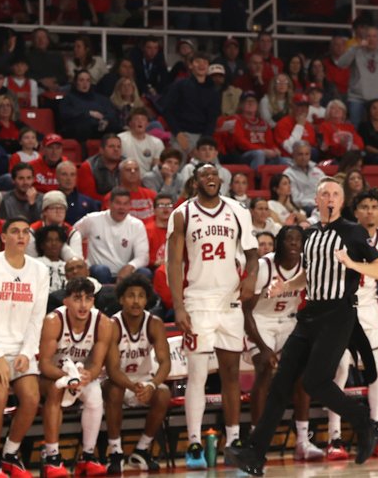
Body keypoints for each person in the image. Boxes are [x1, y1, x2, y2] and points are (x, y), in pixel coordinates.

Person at [225, 177, 378, 476]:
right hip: (309, 313)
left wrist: (352, 264)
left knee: (315, 382)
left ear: (341, 201)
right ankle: (255, 455)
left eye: (335, 194)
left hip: (338, 314)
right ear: (316, 199)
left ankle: (364, 421)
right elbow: (309, 275)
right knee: (280, 385)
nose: (330, 198)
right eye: (325, 193)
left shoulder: (353, 232)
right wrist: (285, 285)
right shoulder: (310, 234)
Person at [167, 163, 258, 468]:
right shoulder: (182, 214)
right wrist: (179, 305)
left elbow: (253, 254)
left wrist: (250, 278)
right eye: (204, 175)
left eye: (214, 174)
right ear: (195, 182)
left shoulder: (237, 210)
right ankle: (194, 442)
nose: (210, 178)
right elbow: (173, 263)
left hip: (229, 301)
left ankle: (233, 441)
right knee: (198, 374)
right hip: (197, 301)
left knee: (231, 373)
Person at [326, 190, 378, 458]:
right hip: (341, 308)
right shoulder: (340, 235)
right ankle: (335, 439)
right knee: (340, 370)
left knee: (377, 373)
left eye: (374, 206)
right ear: (355, 211)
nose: (370, 211)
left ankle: (375, 435)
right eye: (364, 206)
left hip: (370, 311)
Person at [0, 218, 51, 478]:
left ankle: (10, 454)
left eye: (25, 232)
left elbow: (37, 317)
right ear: (3, 237)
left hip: (20, 345)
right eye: (15, 232)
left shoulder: (40, 271)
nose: (21, 236)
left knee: (31, 398)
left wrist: (27, 352)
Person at [243, 226, 327, 462]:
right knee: (264, 368)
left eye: (298, 240)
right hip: (260, 321)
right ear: (278, 242)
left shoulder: (308, 267)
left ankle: (302, 441)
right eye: (288, 239)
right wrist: (264, 347)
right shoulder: (264, 267)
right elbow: (246, 311)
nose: (293, 243)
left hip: (288, 320)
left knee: (303, 373)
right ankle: (256, 441)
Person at [38, 278, 116, 477]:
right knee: (56, 389)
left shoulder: (103, 323)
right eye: (77, 299)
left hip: (78, 375)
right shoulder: (53, 321)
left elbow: (97, 364)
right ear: (66, 301)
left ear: (93, 301)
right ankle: (52, 457)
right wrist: (67, 377)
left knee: (96, 395)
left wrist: (88, 375)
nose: (83, 305)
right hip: (52, 374)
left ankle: (87, 456)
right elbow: (44, 364)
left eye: (88, 299)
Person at [104, 274, 171, 474]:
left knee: (163, 393)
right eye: (130, 295)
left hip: (143, 380)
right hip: (117, 381)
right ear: (121, 299)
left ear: (146, 299)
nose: (136, 301)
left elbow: (165, 363)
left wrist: (151, 385)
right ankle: (116, 451)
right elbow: (112, 370)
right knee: (114, 391)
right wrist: (134, 387)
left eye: (141, 296)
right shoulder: (112, 325)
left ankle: (142, 449)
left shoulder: (155, 323)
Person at [70, 189, 149, 284]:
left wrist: (130, 266)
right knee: (102, 270)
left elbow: (143, 257)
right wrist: (79, 259)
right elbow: (72, 234)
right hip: (98, 271)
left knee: (145, 272)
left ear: (130, 206)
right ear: (109, 204)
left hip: (125, 273)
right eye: (118, 203)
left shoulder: (137, 225)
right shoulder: (92, 220)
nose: (122, 207)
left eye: (125, 204)